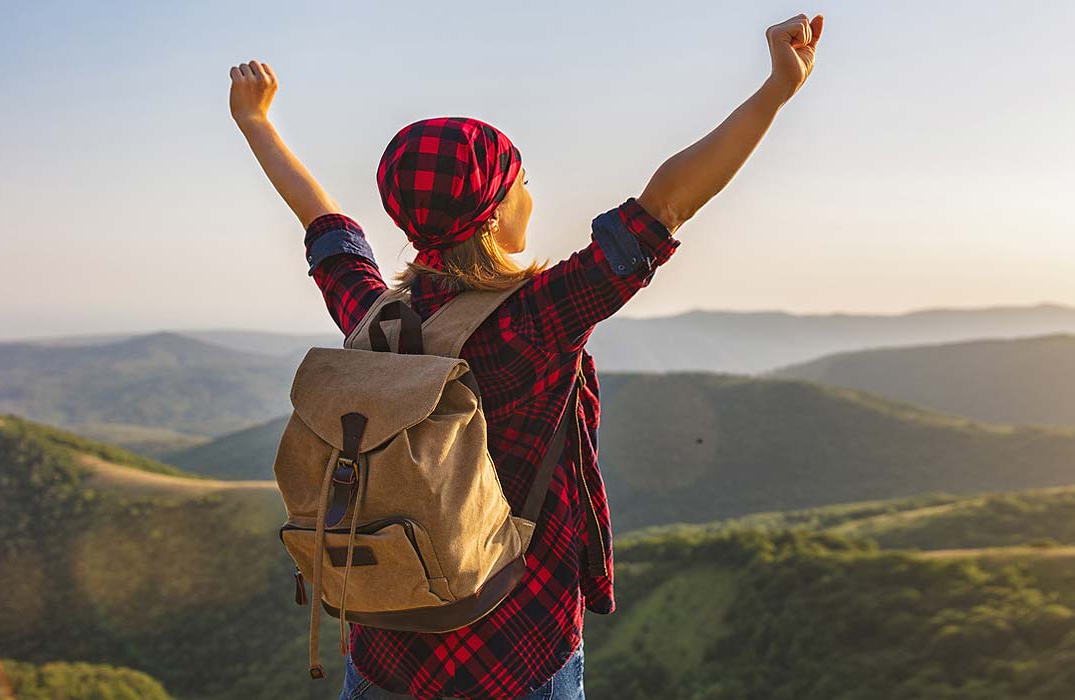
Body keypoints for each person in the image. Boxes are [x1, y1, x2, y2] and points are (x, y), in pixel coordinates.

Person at [227, 13, 826, 700]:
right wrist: (777, 89)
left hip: (387, 649)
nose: (529, 193)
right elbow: (666, 205)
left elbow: (325, 228)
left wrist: (256, 123)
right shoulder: (534, 322)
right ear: (496, 213)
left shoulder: (373, 317)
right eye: (521, 181)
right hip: (515, 650)